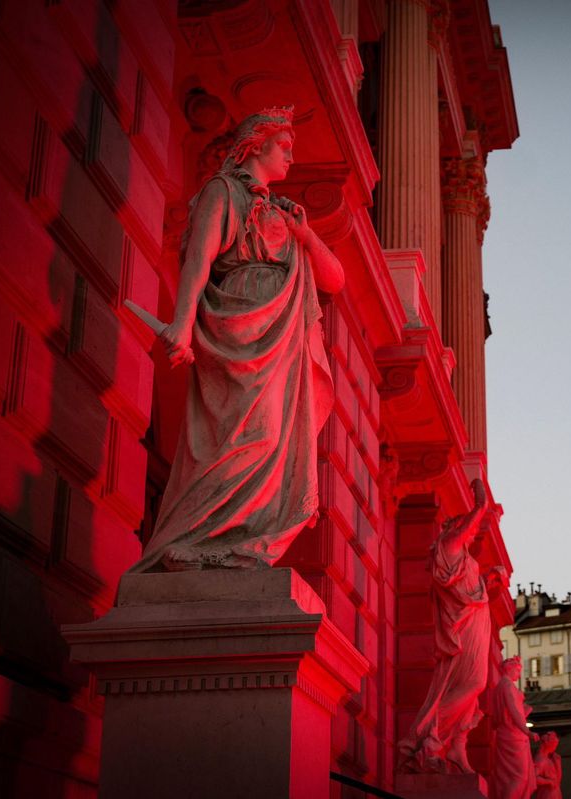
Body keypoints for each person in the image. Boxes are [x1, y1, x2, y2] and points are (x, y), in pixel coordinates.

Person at [130, 106, 345, 573]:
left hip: (279, 336)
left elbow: (335, 279)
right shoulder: (222, 192)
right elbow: (199, 259)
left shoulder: (287, 215)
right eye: (283, 147)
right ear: (255, 145)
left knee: (271, 440)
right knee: (237, 439)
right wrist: (182, 323)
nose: (290, 157)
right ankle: (193, 538)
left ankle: (241, 545)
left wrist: (306, 237)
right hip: (236, 327)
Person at [398, 480, 503, 773]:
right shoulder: (448, 546)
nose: (466, 530)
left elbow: (468, 589)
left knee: (470, 688)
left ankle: (456, 746)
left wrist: (489, 583)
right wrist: (480, 499)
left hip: (475, 624)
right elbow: (475, 515)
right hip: (463, 629)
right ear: (451, 529)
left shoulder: (465, 556)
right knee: (472, 683)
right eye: (461, 526)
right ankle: (430, 737)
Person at [488, 657, 536, 799]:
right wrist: (527, 732)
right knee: (519, 777)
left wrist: (525, 711)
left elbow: (501, 716)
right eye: (518, 670)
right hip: (513, 736)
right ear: (510, 669)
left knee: (510, 777)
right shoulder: (507, 686)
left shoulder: (499, 687)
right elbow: (514, 712)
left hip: (507, 734)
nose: (519, 674)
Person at [532, 731, 562, 799]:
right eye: (555, 745)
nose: (555, 748)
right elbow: (534, 778)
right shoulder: (540, 759)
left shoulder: (548, 759)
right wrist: (548, 782)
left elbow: (557, 781)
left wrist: (558, 764)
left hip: (554, 793)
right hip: (547, 794)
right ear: (549, 744)